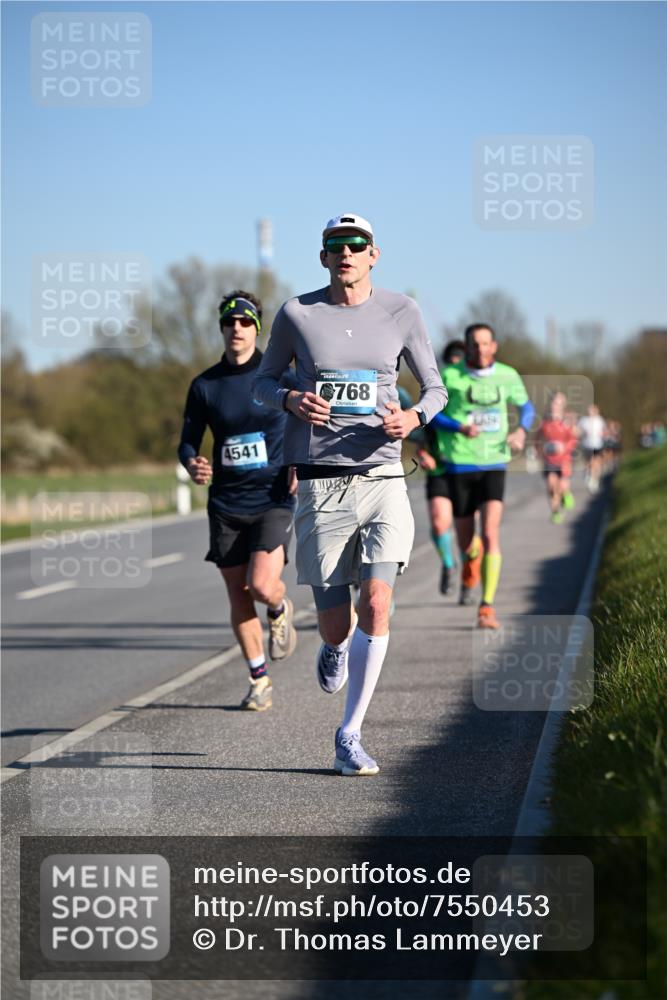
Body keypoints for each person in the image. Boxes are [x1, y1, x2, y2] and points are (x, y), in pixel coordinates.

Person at [253, 213, 446, 775]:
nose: (346, 252)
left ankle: (350, 733)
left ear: (373, 254)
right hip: (320, 479)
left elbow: (436, 389)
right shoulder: (297, 313)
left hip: (384, 476)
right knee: (337, 623)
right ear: (323, 257)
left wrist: (412, 417)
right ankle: (334, 646)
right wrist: (290, 400)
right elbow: (263, 383)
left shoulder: (401, 311)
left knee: (378, 604)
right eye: (335, 245)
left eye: (356, 244)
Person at [178, 291, 298, 712]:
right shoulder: (205, 385)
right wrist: (193, 463)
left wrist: (299, 464)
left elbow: (306, 423)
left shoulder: (278, 376)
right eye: (230, 323)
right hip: (226, 502)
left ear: (257, 328)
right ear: (222, 329)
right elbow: (188, 442)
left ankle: (280, 608)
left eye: (245, 322)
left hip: (273, 496)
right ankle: (258, 679)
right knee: (237, 592)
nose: (237, 329)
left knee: (262, 585)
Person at [430, 323, 535, 629]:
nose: (481, 349)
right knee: (467, 542)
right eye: (475, 344)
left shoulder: (508, 375)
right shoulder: (449, 376)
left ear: (495, 346)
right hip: (460, 463)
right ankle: (470, 557)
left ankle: (486, 606)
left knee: (490, 533)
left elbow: (526, 408)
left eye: (486, 343)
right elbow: (433, 414)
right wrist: (458, 427)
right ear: (467, 347)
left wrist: (521, 431)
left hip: (494, 462)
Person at [414, 339, 470, 595]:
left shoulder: (475, 397)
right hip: (440, 469)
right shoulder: (434, 393)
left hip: (470, 469)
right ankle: (449, 564)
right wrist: (422, 453)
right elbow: (421, 429)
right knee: (439, 524)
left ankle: (470, 580)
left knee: (469, 536)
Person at [536, 391, 578, 523]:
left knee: (562, 486)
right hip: (549, 460)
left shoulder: (567, 421)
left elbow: (573, 439)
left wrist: (564, 448)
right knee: (551, 486)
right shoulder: (545, 422)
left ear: (563, 405)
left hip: (564, 459)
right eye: (554, 402)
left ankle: (566, 495)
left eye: (559, 403)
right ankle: (555, 512)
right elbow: (537, 439)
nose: (556, 405)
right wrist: (541, 451)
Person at [578, 403, 606, 493]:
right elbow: (577, 431)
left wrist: (602, 434)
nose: (591, 412)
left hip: (598, 444)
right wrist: (583, 433)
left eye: (593, 410)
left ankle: (594, 478)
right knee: (590, 462)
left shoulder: (600, 420)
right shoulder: (583, 420)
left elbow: (604, 431)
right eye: (589, 410)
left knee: (596, 462)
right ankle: (589, 475)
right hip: (587, 444)